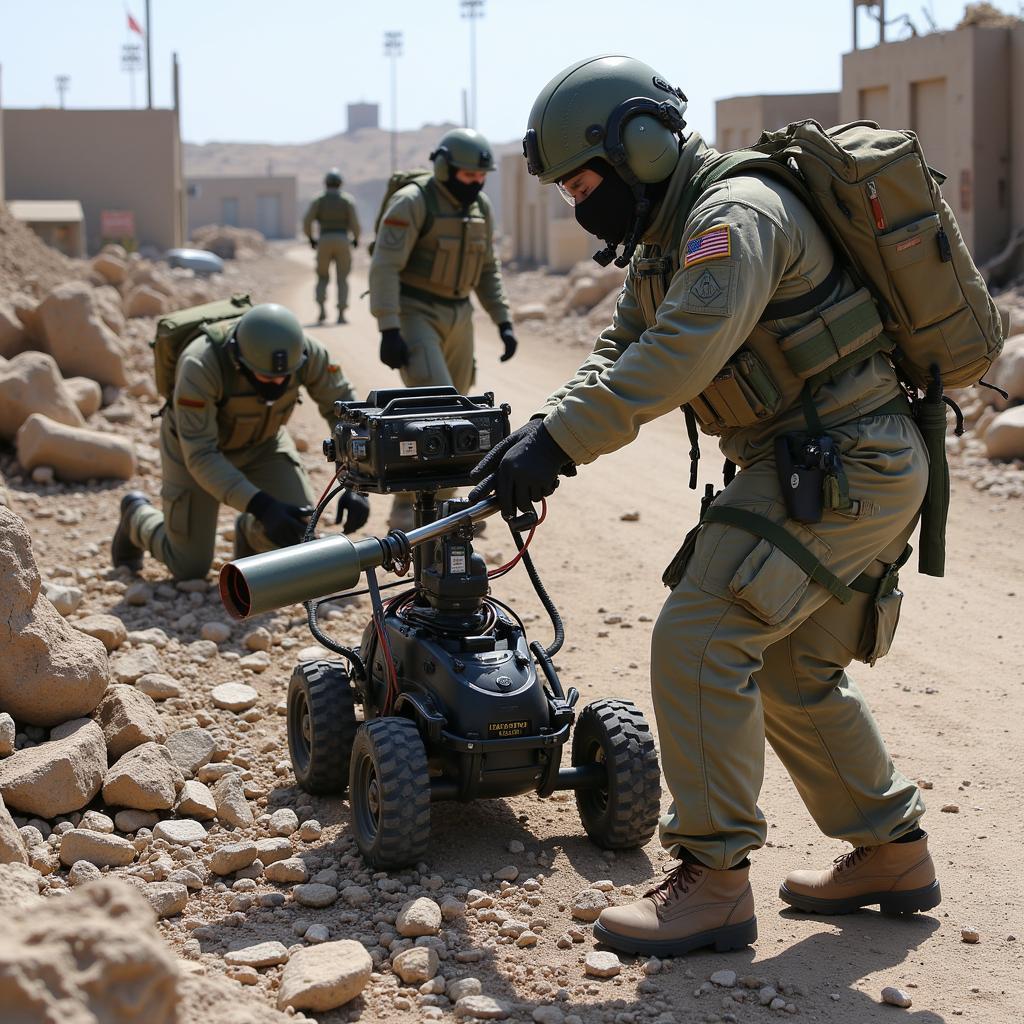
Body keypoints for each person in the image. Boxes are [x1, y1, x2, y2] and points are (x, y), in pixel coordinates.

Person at [471, 55, 939, 957]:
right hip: (824, 460)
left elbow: (681, 351)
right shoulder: (666, 233)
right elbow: (621, 348)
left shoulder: (735, 217)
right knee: (793, 670)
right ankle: (892, 851)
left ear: (641, 144)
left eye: (582, 180)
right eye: (564, 190)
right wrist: (542, 434)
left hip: (847, 459)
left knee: (699, 635)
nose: (577, 203)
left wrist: (564, 445)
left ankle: (714, 882)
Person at [112, 302, 369, 580]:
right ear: (238, 360)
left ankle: (249, 531)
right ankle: (134, 516)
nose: (276, 385)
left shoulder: (308, 352)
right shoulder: (200, 364)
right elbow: (200, 455)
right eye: (266, 378)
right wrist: (262, 506)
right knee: (189, 566)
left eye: (285, 377)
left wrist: (358, 479)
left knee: (299, 536)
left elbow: (348, 415)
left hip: (263, 446)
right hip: (194, 454)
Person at [369, 127, 518, 529]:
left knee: (461, 410)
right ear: (443, 167)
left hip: (459, 314)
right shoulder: (413, 202)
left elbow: (487, 268)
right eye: (467, 175)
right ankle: (407, 508)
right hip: (416, 310)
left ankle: (441, 509)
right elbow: (384, 265)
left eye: (480, 177)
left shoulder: (480, 208)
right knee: (439, 407)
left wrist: (503, 320)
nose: (475, 183)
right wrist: (389, 328)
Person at [303, 168, 361, 324]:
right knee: (342, 278)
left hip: (324, 240)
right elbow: (355, 223)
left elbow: (307, 221)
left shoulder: (319, 200)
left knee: (322, 277)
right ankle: (341, 313)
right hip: (343, 240)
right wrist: (356, 238)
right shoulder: (347, 200)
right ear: (340, 184)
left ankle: (322, 309)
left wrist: (311, 238)